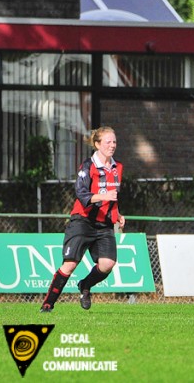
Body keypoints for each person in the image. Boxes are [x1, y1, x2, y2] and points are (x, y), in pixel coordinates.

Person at [41, 126, 125, 312]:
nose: (112, 145)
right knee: (70, 264)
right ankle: (48, 304)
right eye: (108, 142)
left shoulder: (117, 167)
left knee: (107, 264)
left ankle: (85, 286)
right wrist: (104, 197)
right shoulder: (88, 166)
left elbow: (113, 196)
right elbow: (82, 194)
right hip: (83, 221)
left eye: (114, 142)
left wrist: (117, 214)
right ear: (97, 144)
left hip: (104, 223)